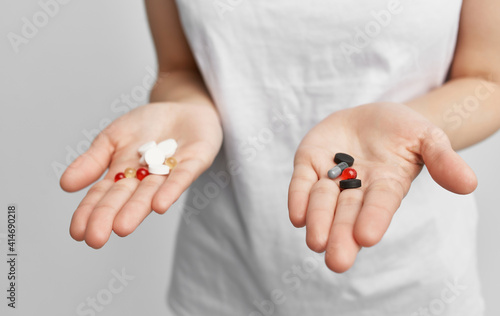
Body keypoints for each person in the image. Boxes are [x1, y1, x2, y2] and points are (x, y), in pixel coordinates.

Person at [60, 0, 500, 314]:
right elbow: (179, 69)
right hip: (225, 276)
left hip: (413, 282)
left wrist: (410, 125)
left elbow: (487, 78)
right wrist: (190, 108)